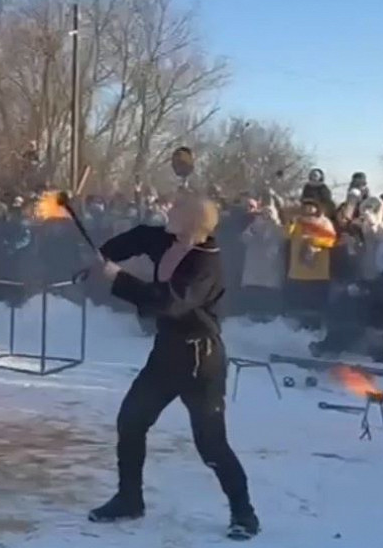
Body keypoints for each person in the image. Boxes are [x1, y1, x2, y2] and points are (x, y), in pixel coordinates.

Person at [89, 192, 259, 541]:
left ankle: (245, 514)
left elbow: (169, 304)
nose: (170, 209)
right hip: (167, 354)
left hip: (200, 360)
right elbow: (139, 236)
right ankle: (129, 499)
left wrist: (118, 279)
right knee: (131, 420)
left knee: (211, 445)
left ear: (194, 222)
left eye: (178, 208)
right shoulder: (169, 239)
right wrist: (104, 253)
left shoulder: (206, 263)